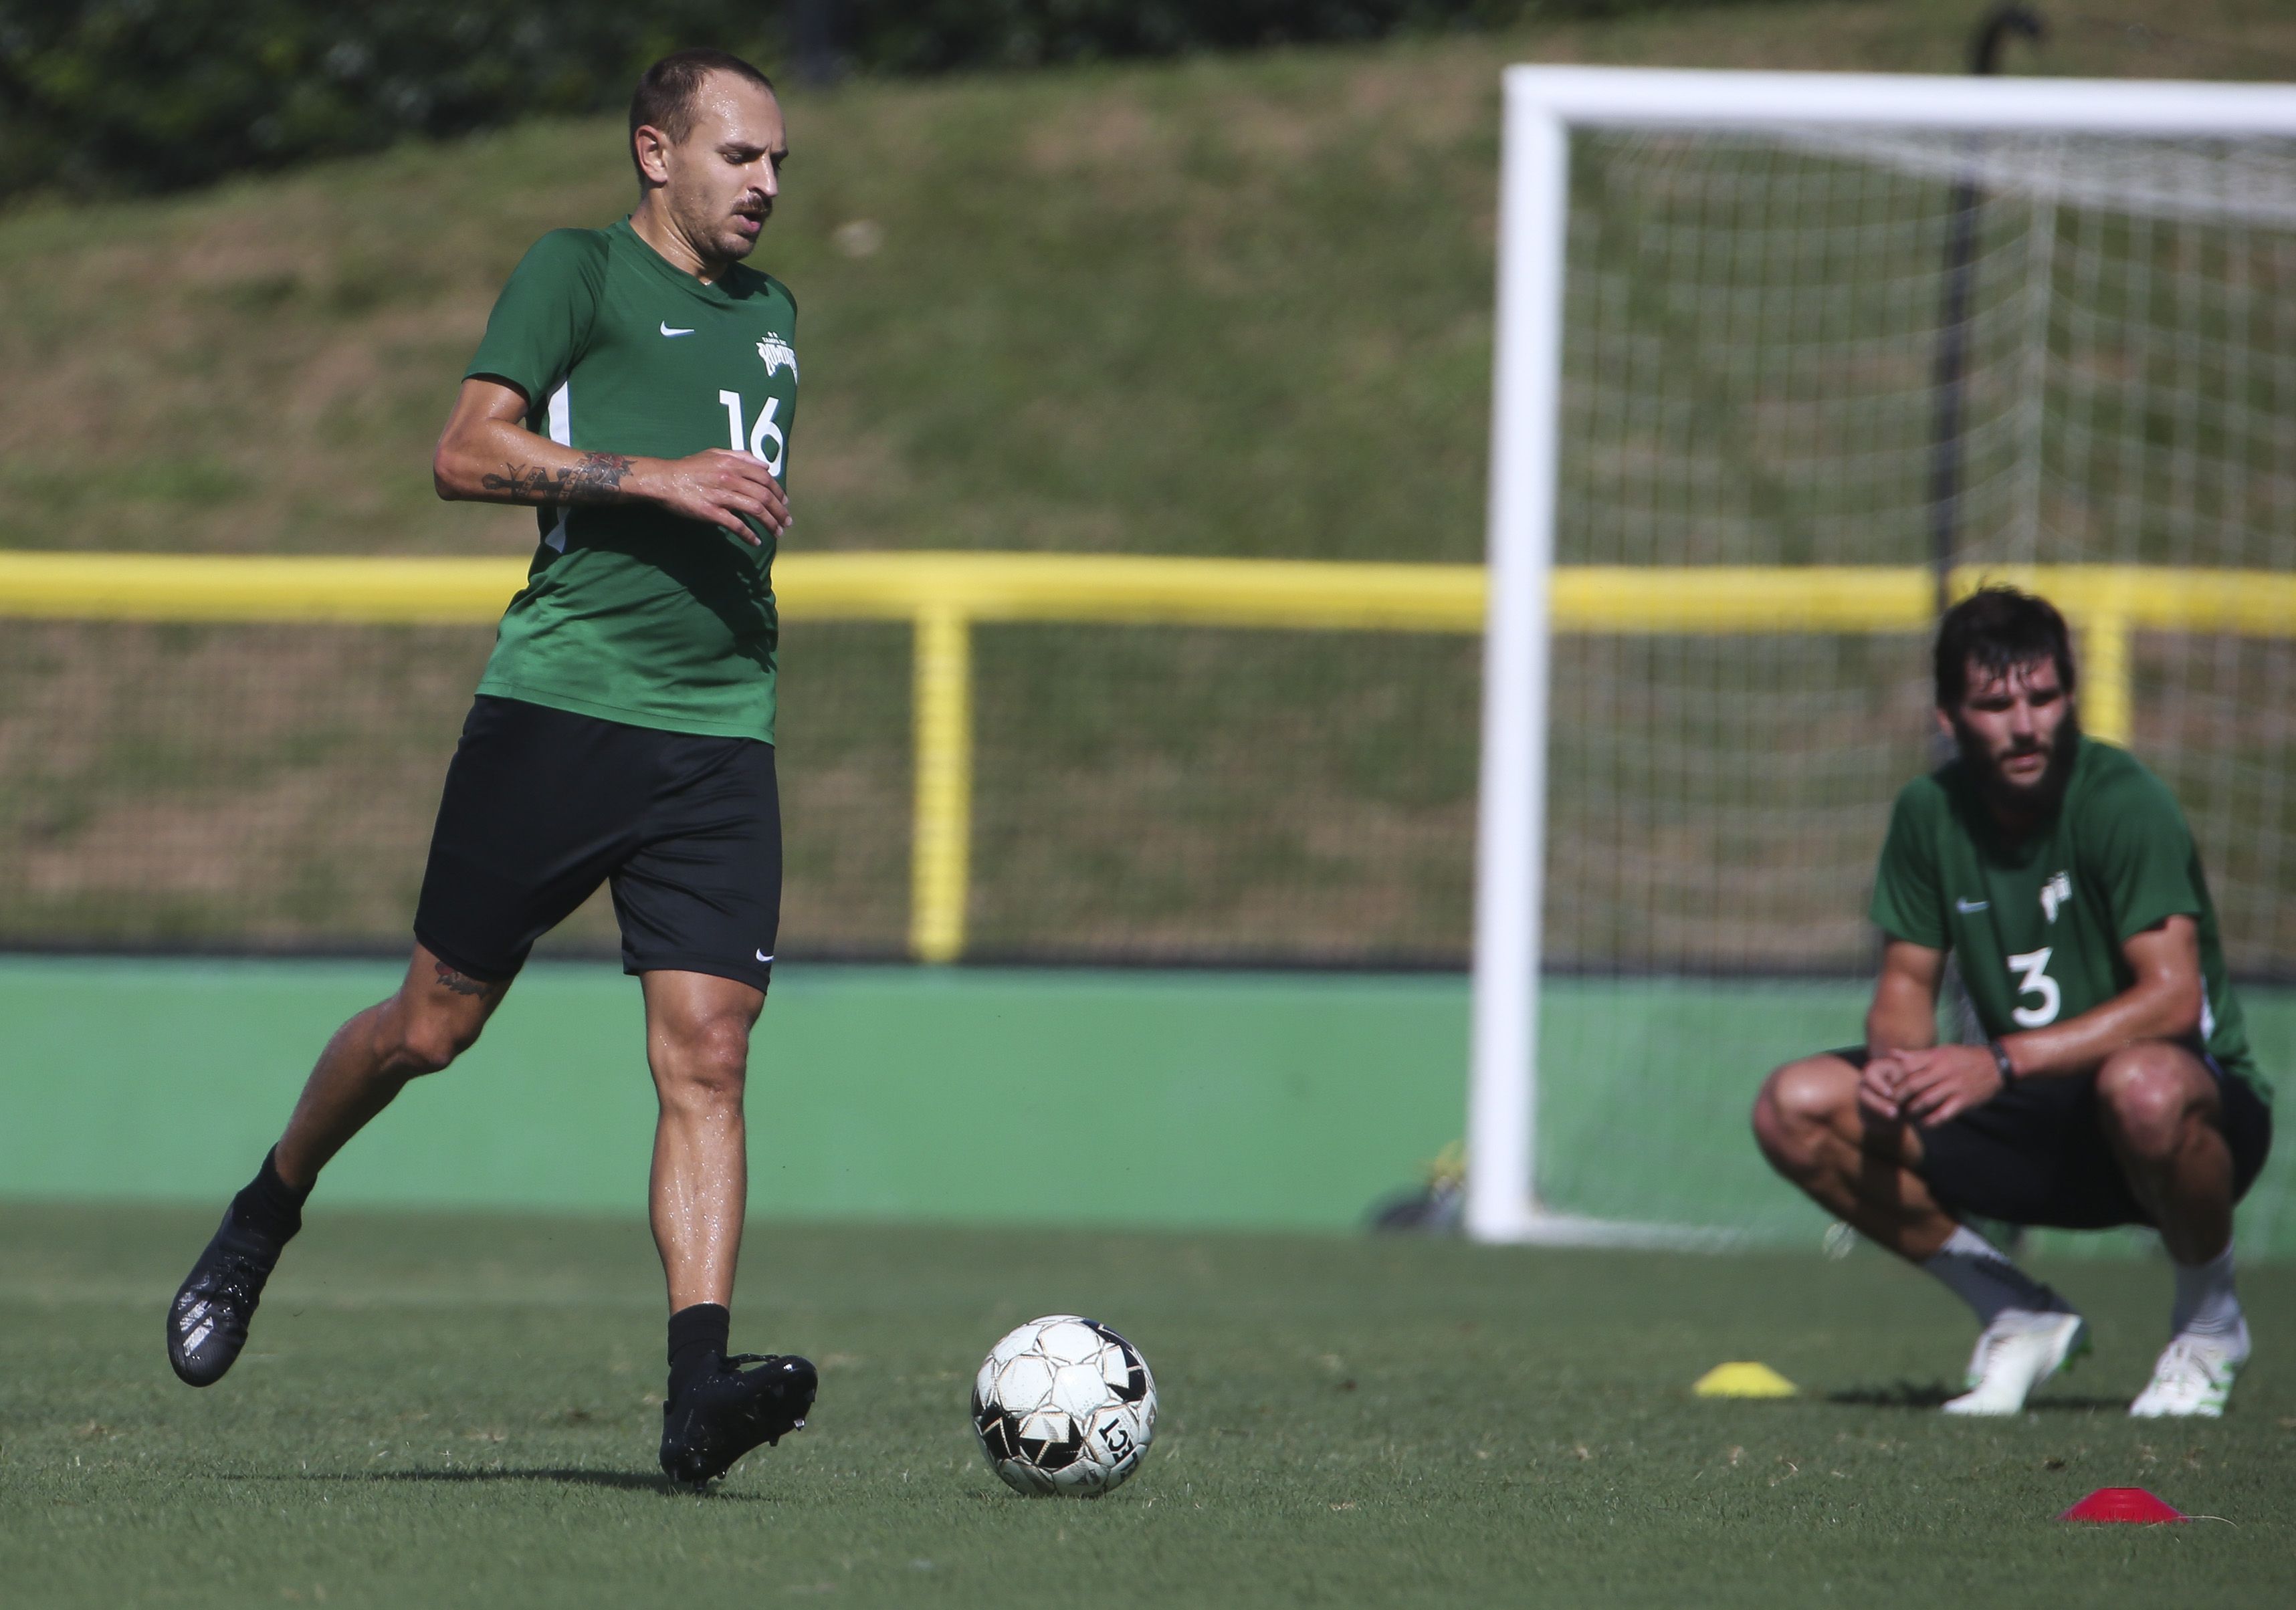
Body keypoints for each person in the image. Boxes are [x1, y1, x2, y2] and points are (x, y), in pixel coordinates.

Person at [166, 47, 817, 1486]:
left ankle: (695, 1391)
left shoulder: (775, 315)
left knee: (710, 1053)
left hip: (719, 733)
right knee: (431, 1027)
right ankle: (266, 1208)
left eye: (779, 161)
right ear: (657, 153)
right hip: (563, 711)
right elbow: (463, 454)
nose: (768, 183)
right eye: (740, 155)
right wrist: (654, 475)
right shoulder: (574, 270)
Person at [1752, 587, 2272, 1417]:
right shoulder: (1928, 813)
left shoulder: (2120, 798)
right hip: (2022, 1111)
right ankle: (2014, 1309)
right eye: (1995, 704)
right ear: (1949, 716)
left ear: (2070, 697)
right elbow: (1903, 987)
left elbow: (2172, 1002)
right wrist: (1895, 1064)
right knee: (1795, 1105)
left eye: (2043, 697)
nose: (2025, 724)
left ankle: (2210, 1327)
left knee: (2143, 1084)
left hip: (2173, 1115)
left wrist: (1999, 1059)